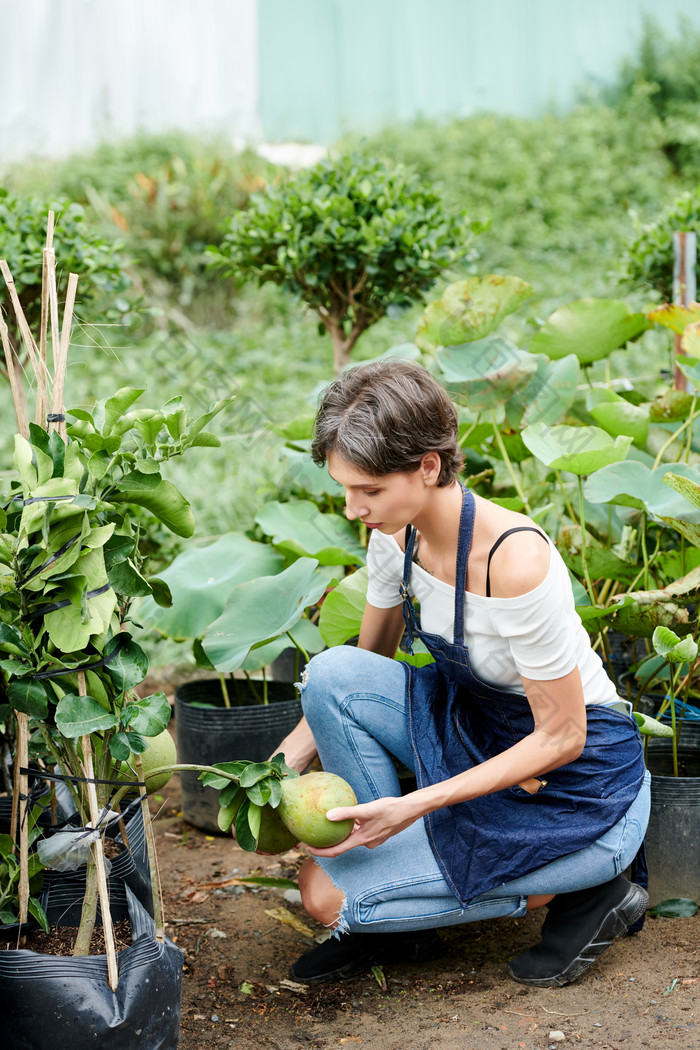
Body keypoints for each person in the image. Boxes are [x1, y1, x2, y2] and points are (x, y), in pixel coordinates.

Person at [275, 357, 650, 987]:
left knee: (330, 900)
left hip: (575, 787)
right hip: (473, 731)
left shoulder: (514, 560)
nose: (352, 508)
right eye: (345, 489)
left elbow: (564, 738)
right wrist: (270, 772)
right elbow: (362, 673)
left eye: (369, 490)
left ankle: (589, 892)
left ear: (427, 466)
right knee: (332, 671)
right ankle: (400, 918)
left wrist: (412, 806)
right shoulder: (395, 535)